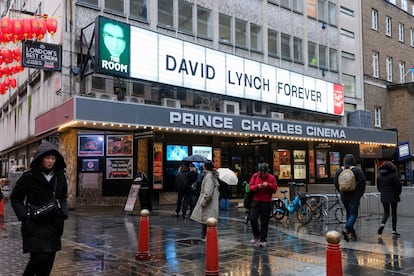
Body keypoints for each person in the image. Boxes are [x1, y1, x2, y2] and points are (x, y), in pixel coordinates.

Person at [10, 140, 68, 276]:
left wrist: (63, 214)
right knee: (39, 258)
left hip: (54, 225)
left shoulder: (60, 177)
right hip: (34, 225)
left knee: (47, 263)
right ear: (40, 159)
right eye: (47, 158)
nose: (50, 161)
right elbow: (16, 198)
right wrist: (24, 216)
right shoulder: (29, 177)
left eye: (53, 158)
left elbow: (63, 197)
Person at [334, 153, 366, 242]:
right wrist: (359, 194)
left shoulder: (339, 170)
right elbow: (362, 183)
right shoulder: (357, 170)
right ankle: (347, 228)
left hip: (344, 195)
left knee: (348, 212)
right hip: (354, 196)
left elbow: (336, 183)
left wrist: (341, 191)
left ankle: (351, 233)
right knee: (353, 214)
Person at [249, 163, 277, 248]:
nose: (264, 174)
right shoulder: (255, 176)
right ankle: (256, 235)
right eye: (262, 173)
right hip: (256, 200)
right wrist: (257, 186)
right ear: (259, 172)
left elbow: (275, 189)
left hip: (266, 201)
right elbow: (251, 187)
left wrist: (268, 185)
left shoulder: (271, 178)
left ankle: (263, 239)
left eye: (265, 172)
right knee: (252, 218)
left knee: (264, 221)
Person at [190, 161, 220, 241]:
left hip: (208, 205)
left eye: (203, 165)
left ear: (205, 166)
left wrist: (203, 203)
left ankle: (205, 239)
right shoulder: (211, 175)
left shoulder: (208, 177)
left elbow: (208, 193)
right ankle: (206, 238)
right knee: (206, 222)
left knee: (205, 222)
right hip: (211, 204)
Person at [376, 161, 402, 237]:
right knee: (394, 213)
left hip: (384, 196)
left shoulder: (379, 175)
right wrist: (398, 193)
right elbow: (398, 186)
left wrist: (383, 192)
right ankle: (394, 230)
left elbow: (378, 187)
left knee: (386, 212)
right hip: (394, 196)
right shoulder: (394, 174)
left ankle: (382, 224)